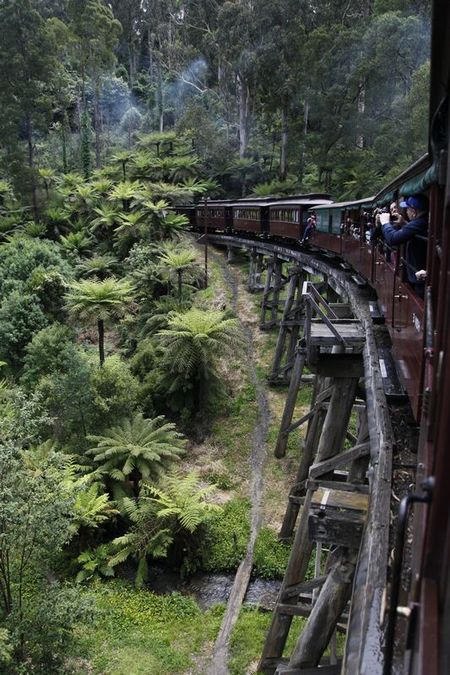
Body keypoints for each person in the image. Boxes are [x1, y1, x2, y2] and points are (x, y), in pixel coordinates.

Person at [379, 194, 428, 296]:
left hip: (419, 279)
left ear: (414, 212)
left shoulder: (419, 223)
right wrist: (404, 223)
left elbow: (393, 239)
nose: (406, 212)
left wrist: (385, 223)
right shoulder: (423, 221)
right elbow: (413, 232)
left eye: (407, 209)